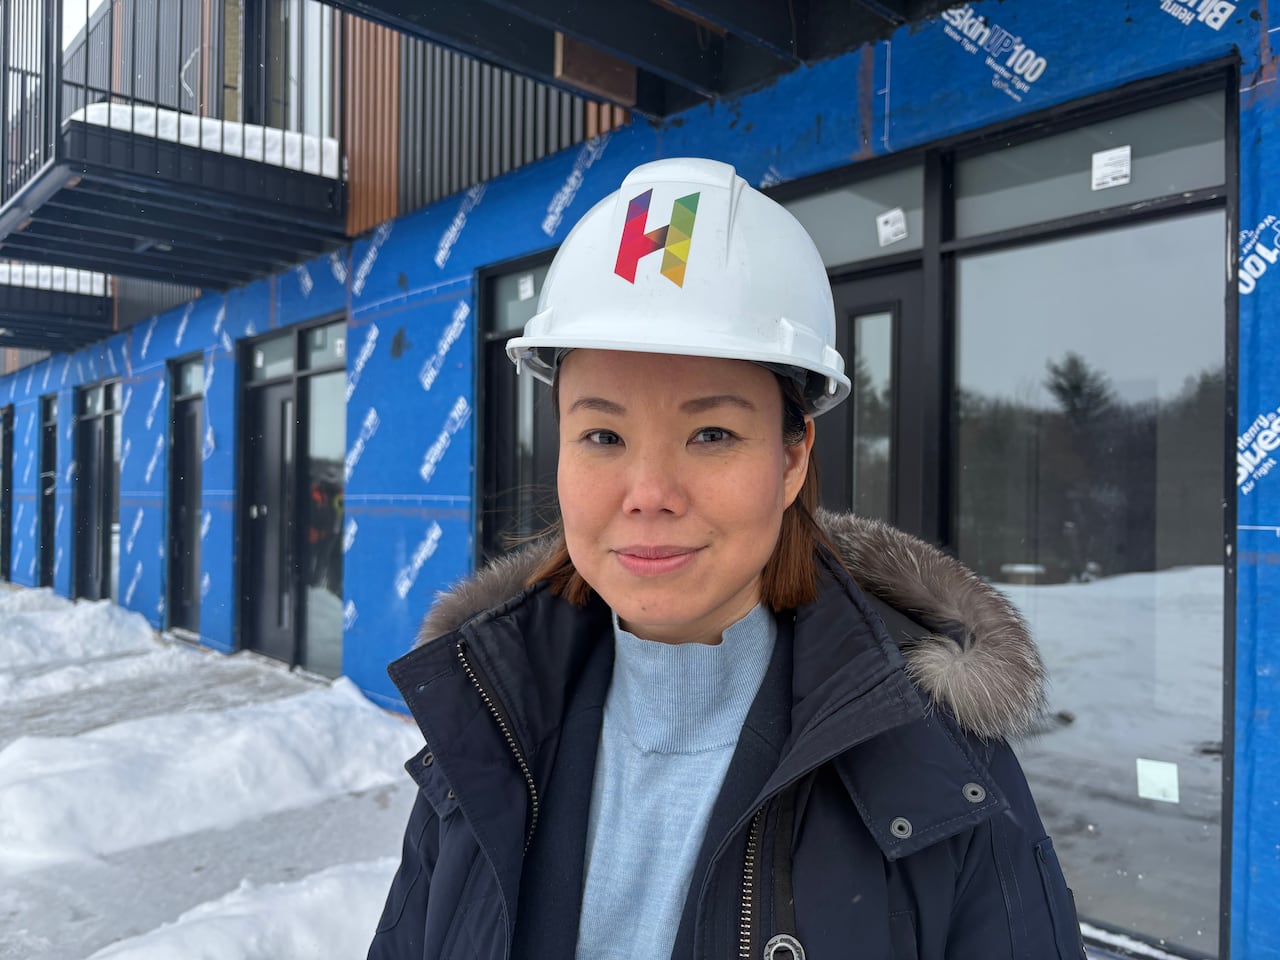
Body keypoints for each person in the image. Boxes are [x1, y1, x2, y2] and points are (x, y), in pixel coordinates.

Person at [369, 158, 1085, 960]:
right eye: (602, 435)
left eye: (711, 434)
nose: (649, 492)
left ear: (791, 459)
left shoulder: (942, 768)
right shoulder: (484, 726)